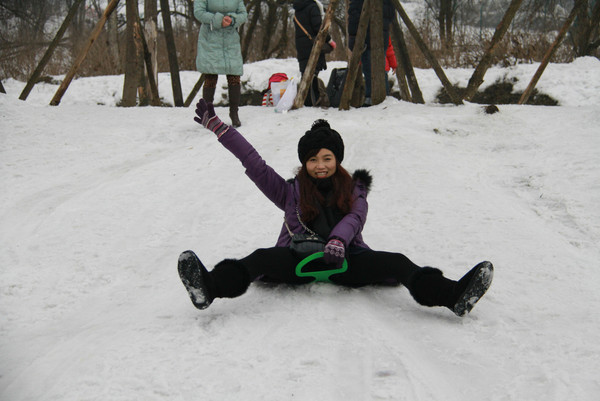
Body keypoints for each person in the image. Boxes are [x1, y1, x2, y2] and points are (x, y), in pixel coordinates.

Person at [178, 100, 494, 317]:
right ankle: (209, 287)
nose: (320, 165)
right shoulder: (289, 191)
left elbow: (355, 218)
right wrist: (221, 129)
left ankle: (452, 295)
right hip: (299, 260)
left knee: (398, 262)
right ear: (305, 162)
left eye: (326, 158)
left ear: (337, 160)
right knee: (258, 258)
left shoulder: (355, 188)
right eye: (313, 159)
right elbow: (254, 162)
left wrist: (339, 241)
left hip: (347, 261)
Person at [194, 0, 248, 127]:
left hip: (230, 39)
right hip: (210, 39)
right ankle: (208, 115)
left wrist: (233, 19)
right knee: (211, 76)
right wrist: (218, 19)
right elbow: (199, 12)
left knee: (234, 75)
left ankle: (234, 113)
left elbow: (243, 13)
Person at [348, 0, 394, 106]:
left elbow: (353, 18)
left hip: (366, 38)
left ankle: (371, 97)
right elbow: (391, 15)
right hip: (382, 37)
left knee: (369, 69)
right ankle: (383, 97)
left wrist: (353, 38)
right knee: (380, 69)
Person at [293, 0, 336, 107]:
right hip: (312, 46)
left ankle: (305, 101)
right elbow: (319, 29)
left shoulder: (297, 9)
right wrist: (330, 41)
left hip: (301, 46)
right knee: (312, 74)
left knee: (305, 74)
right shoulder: (312, 7)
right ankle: (312, 101)